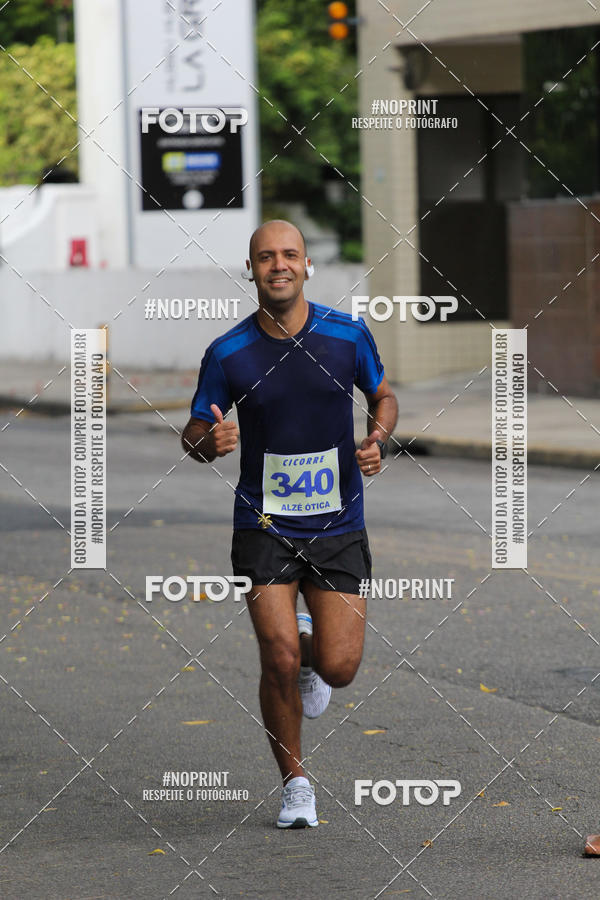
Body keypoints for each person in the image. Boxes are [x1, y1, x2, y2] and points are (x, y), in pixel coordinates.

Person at [182, 220, 398, 828]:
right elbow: (195, 430)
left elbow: (384, 395)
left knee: (339, 668)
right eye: (265, 256)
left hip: (338, 525)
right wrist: (209, 440)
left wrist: (378, 438)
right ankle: (295, 783)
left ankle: (312, 658)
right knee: (274, 657)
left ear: (307, 266)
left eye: (290, 254)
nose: (278, 264)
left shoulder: (347, 335)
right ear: (250, 270)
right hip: (263, 525)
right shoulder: (227, 353)